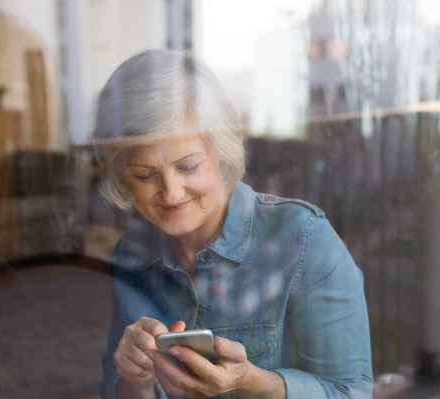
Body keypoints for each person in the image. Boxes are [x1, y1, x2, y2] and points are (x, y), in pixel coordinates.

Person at [97, 49, 372, 399]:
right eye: (145, 174)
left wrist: (252, 381)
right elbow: (114, 389)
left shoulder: (305, 239)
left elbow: (351, 393)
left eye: (189, 166)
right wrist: (133, 382)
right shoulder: (133, 250)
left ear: (221, 150)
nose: (171, 192)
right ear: (122, 174)